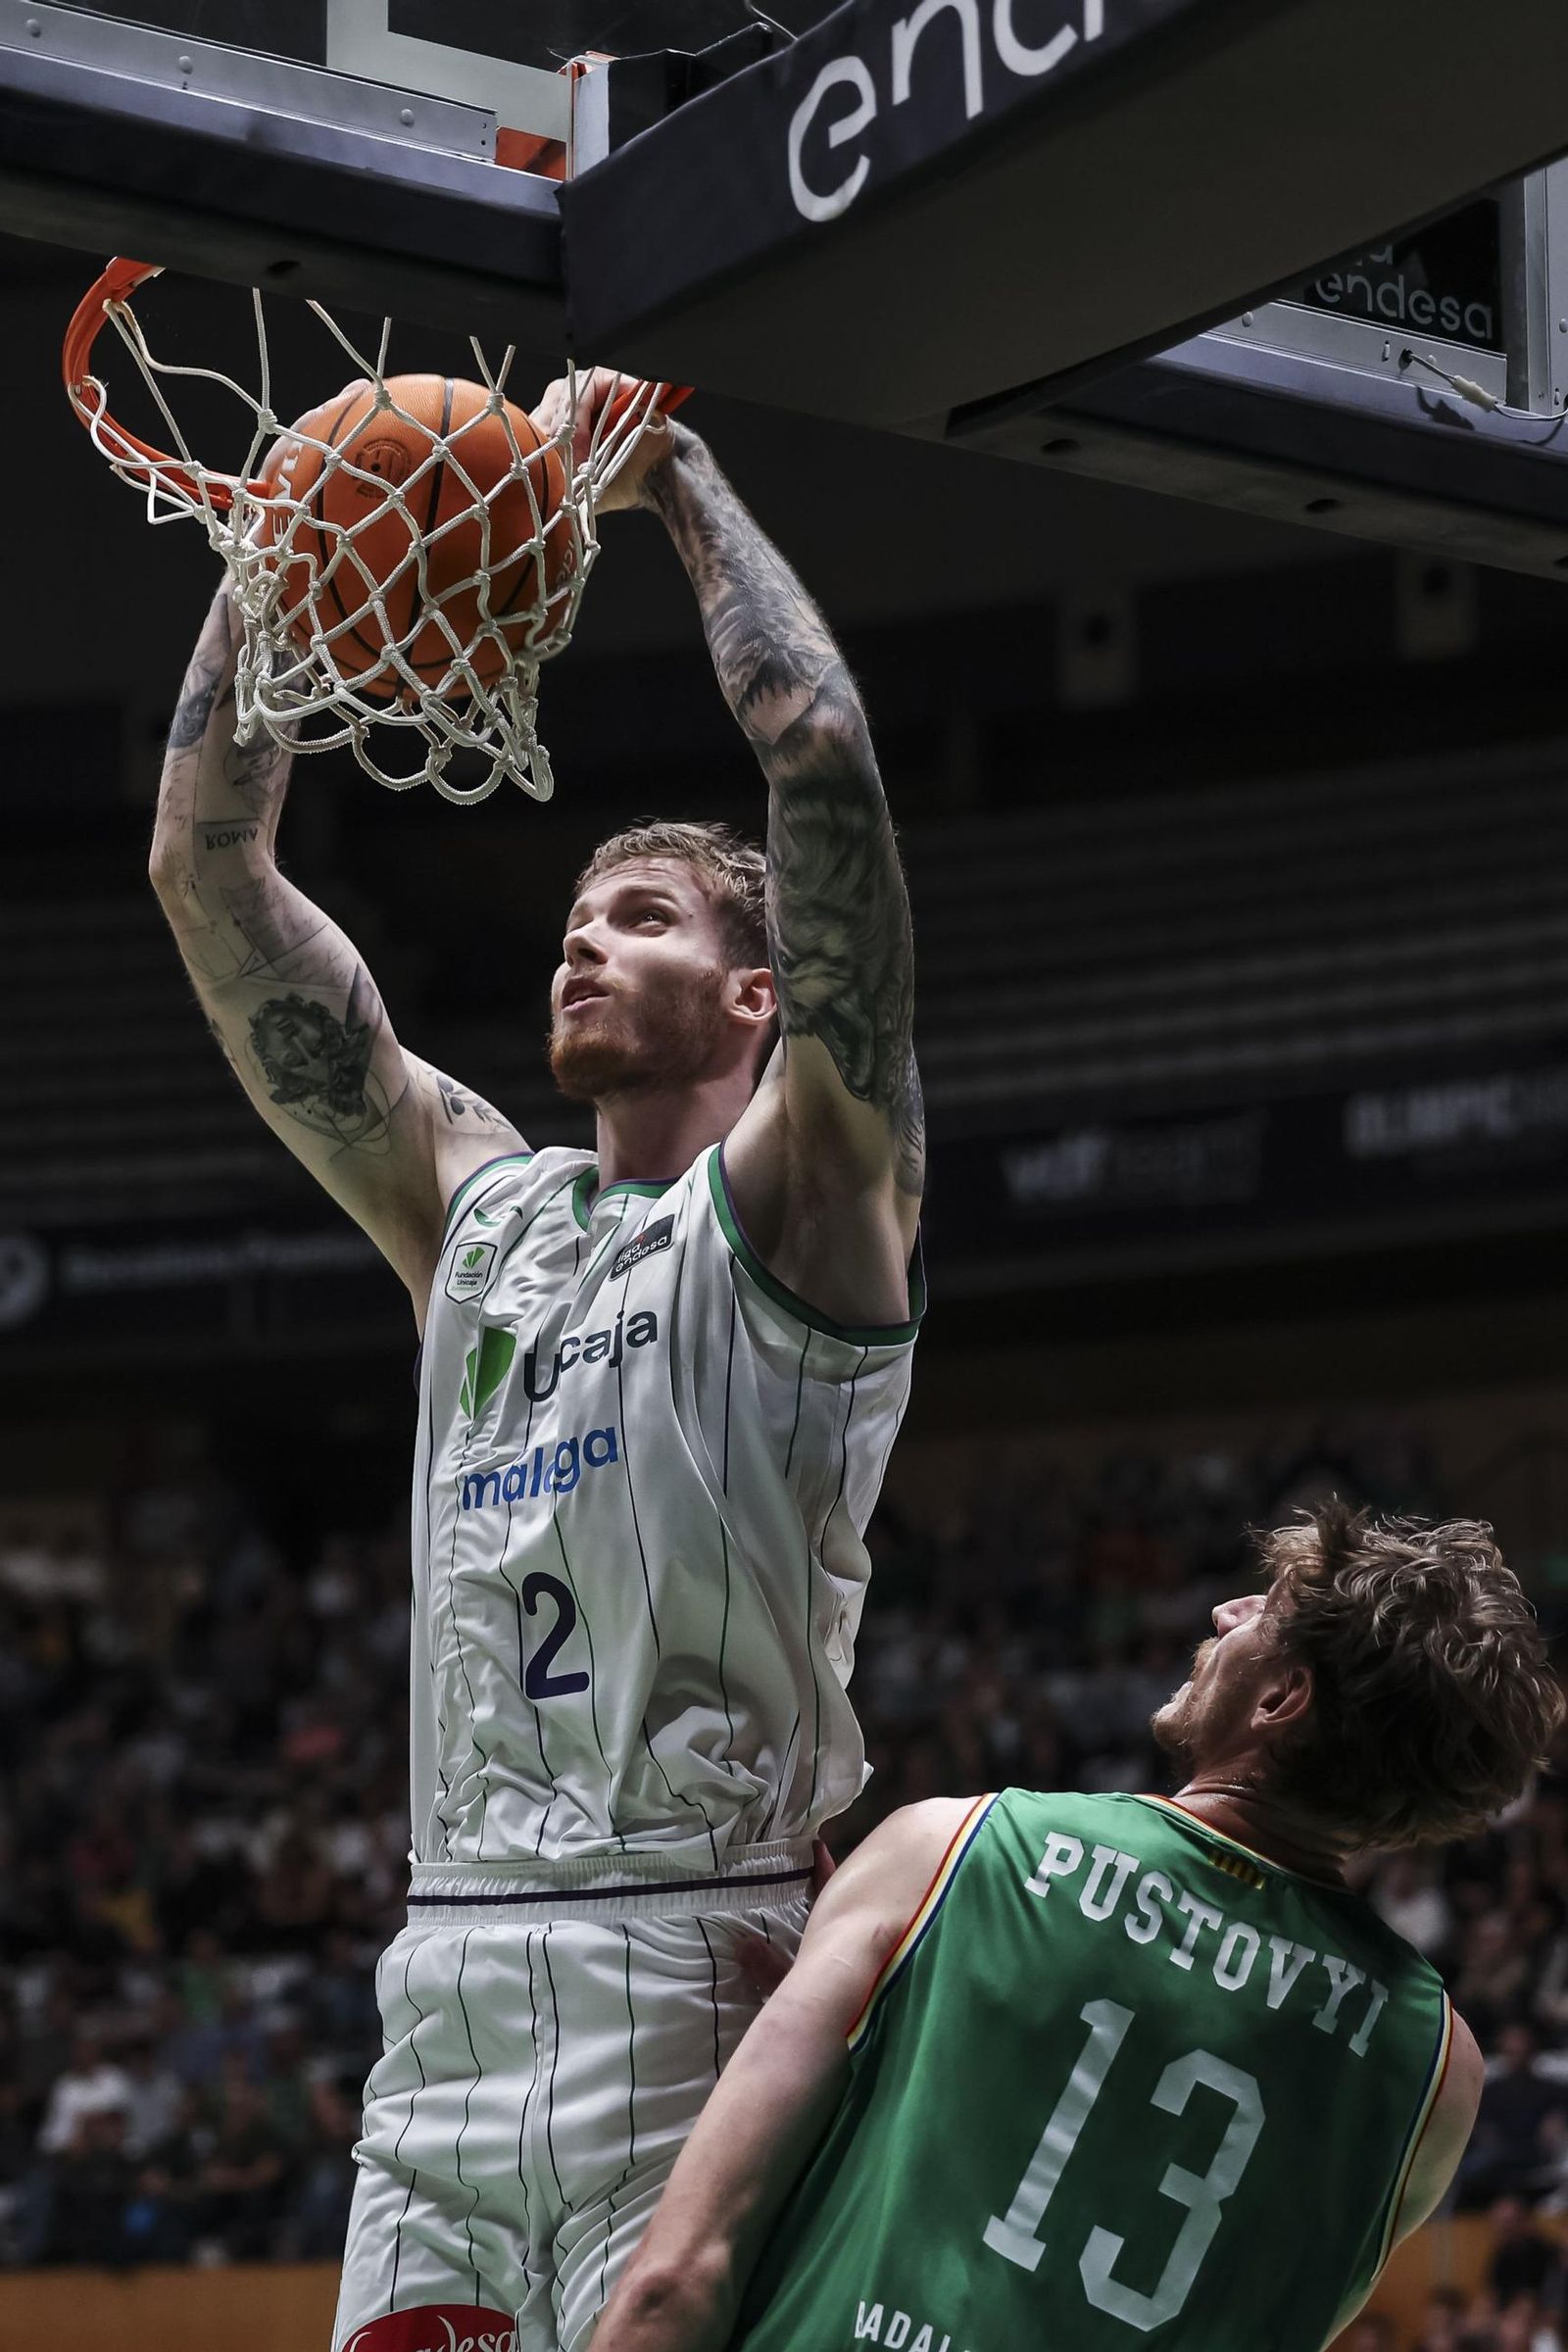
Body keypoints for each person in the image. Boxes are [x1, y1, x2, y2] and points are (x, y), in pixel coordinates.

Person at [149, 371, 923, 2349]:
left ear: (754, 1000)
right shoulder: (474, 1211)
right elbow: (204, 877)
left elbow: (821, 754)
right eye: (574, 919)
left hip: (695, 1970)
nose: (580, 944)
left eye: (639, 918)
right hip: (449, 1986)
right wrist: (281, 557)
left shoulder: (812, 1190)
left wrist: (678, 480)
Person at [595, 1504, 1562, 2352]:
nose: (1224, 1615)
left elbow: (674, 2282)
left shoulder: (957, 1849)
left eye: (1261, 1612)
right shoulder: (1437, 2075)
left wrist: (887, 2006)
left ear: (1279, 1700)